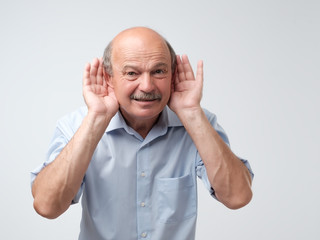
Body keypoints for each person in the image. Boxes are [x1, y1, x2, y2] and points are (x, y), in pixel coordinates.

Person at [31, 26, 253, 240]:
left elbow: (238, 196)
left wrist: (192, 114)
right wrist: (97, 119)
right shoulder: (76, 126)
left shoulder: (198, 123)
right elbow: (47, 206)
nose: (147, 86)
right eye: (131, 73)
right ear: (109, 78)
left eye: (158, 71)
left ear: (173, 75)